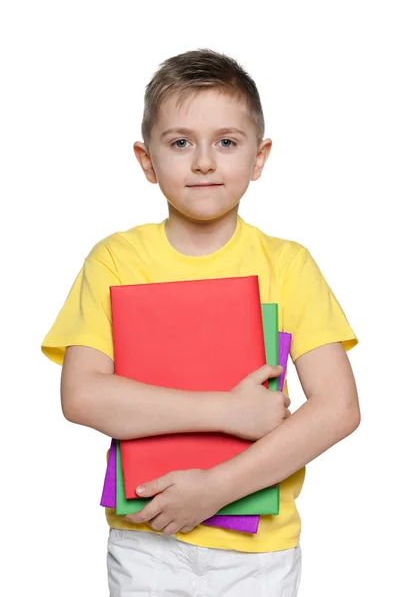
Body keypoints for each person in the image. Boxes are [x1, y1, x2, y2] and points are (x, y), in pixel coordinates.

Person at [41, 48, 360, 596]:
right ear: (147, 160)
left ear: (259, 158)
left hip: (260, 550)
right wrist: (227, 411)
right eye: (180, 142)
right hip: (147, 538)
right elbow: (82, 396)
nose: (205, 161)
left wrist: (216, 488)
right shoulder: (115, 260)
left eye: (227, 142)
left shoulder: (287, 265)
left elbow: (339, 409)